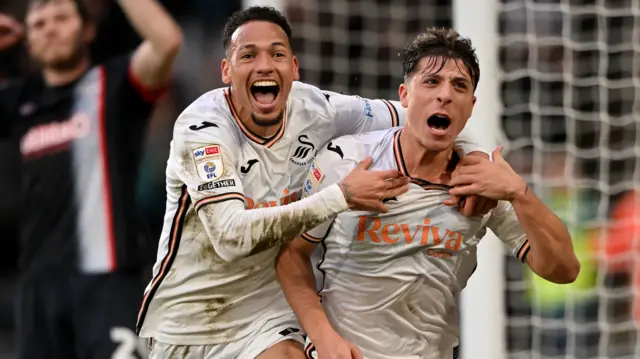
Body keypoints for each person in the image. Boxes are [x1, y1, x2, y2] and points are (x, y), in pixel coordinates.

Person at [137, 6, 494, 359]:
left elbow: (419, 110)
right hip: (185, 323)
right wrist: (340, 196)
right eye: (249, 55)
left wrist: (475, 155)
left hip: (265, 317)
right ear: (226, 71)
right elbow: (230, 238)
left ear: (294, 68)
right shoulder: (202, 130)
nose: (264, 65)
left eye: (277, 53)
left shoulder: (317, 108)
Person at [275, 28, 581, 359]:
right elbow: (291, 255)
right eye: (432, 82)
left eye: (459, 86)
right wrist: (323, 337)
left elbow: (564, 270)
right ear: (404, 96)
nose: (445, 95)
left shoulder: (483, 185)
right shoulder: (346, 160)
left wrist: (520, 193)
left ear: (471, 105)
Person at [0, 0, 182, 358]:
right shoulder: (20, 102)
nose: (50, 28)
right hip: (39, 288)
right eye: (39, 24)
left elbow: (167, 41)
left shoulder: (114, 85)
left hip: (110, 282)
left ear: (88, 29)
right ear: (28, 42)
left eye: (62, 18)